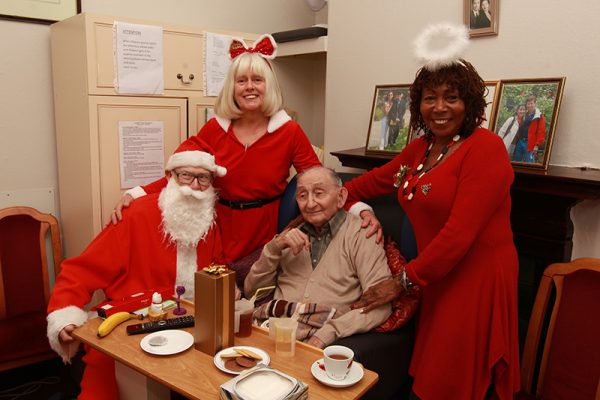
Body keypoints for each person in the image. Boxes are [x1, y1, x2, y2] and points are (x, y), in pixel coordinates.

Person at [345, 24, 520, 399]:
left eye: (452, 97)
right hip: (435, 277)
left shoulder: (485, 149)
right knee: (433, 374)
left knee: (455, 380)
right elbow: (370, 183)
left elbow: (458, 235)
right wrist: (344, 203)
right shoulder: (422, 148)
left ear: (470, 102)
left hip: (475, 279)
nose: (440, 108)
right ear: (418, 104)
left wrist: (401, 281)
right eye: (430, 98)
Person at [111, 34, 321, 263]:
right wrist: (136, 193)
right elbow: (183, 173)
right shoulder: (215, 129)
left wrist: (357, 208)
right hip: (218, 227)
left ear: (268, 85)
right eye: (241, 81)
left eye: (257, 80)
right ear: (232, 88)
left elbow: (320, 182)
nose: (249, 87)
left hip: (265, 231)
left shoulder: (289, 131)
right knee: (215, 291)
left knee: (252, 293)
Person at [47, 141, 226, 399]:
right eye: (185, 175)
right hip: (126, 331)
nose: (194, 187)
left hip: (192, 334)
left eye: (203, 178)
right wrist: (64, 315)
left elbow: (216, 272)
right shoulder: (136, 215)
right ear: (169, 177)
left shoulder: (208, 222)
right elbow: (80, 270)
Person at [244, 166, 392, 349]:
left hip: (318, 342)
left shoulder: (362, 234)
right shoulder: (290, 235)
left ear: (341, 197)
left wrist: (328, 333)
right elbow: (251, 291)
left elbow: (381, 306)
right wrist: (274, 248)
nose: (310, 203)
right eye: (302, 195)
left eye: (319, 193)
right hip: (271, 333)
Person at [512, 95, 546, 163]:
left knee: (529, 163)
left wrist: (537, 145)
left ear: (535, 104)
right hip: (520, 141)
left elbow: (541, 131)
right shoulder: (524, 114)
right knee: (516, 161)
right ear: (526, 105)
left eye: (532, 103)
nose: (530, 105)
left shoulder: (539, 116)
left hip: (530, 143)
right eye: (528, 103)